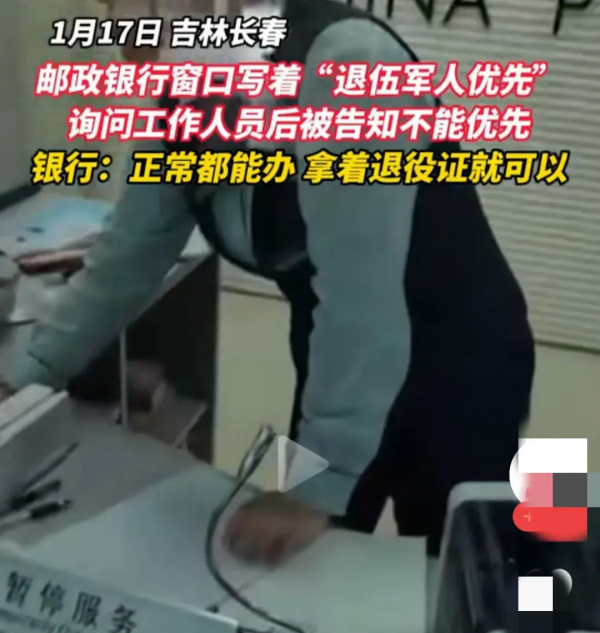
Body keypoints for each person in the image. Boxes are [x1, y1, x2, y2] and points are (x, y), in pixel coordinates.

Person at [1, 0, 535, 566]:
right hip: (331, 358)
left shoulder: (348, 64)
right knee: (297, 569)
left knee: (452, 569)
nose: (119, 27)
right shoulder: (187, 89)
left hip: (456, 359)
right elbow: (125, 255)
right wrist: (25, 379)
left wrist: (314, 489)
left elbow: (364, 298)